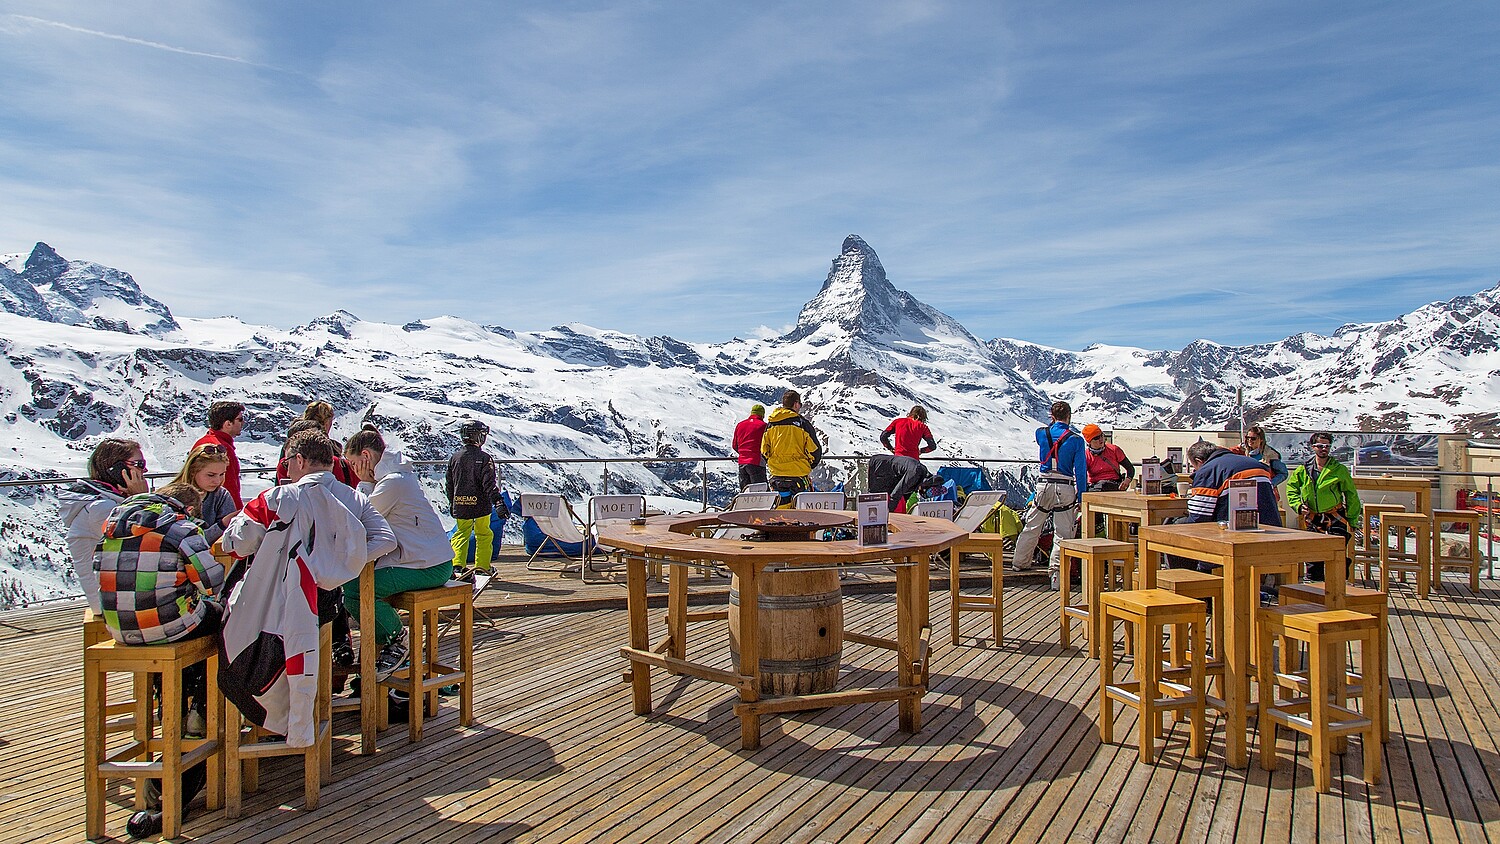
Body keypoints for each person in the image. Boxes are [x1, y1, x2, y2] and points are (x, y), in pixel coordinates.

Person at [219, 431, 386, 765]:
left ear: (297, 460)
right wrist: (336, 566)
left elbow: (235, 542)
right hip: (324, 605)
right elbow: (384, 538)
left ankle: (238, 722)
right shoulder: (353, 499)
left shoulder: (278, 498)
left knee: (223, 623)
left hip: (269, 610)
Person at [94, 480, 223, 837]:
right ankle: (200, 712)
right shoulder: (180, 528)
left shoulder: (113, 526)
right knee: (223, 622)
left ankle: (169, 699)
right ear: (190, 509)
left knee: (182, 645)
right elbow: (213, 580)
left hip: (119, 629)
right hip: (168, 627)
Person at [344, 426, 456, 679]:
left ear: (365, 456)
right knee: (355, 586)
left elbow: (362, 517)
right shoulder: (393, 479)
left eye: (353, 464)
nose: (353, 470)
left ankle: (397, 640)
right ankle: (383, 653)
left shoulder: (393, 483)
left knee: (356, 589)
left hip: (427, 564)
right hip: (423, 559)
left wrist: (363, 483)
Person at [60, 438, 150, 611]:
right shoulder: (101, 508)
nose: (144, 470)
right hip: (113, 604)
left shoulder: (107, 501)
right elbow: (147, 539)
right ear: (117, 469)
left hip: (119, 595)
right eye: (139, 464)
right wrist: (141, 498)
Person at [1012, 401, 1089, 589]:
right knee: (1063, 532)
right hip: (1065, 486)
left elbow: (1045, 435)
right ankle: (1056, 576)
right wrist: (1082, 497)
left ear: (1051, 416)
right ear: (1069, 416)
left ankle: (1020, 562)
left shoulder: (1041, 433)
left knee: (1032, 525)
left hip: (1043, 485)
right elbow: (1080, 470)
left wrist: (1052, 424)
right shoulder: (1076, 440)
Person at [1286, 432, 1361, 582]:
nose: (1323, 449)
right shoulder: (1304, 469)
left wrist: (1352, 520)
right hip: (1313, 517)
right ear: (1313, 447)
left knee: (1338, 551)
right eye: (1320, 446)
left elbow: (1351, 494)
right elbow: (1291, 488)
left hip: (1335, 515)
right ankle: (1316, 589)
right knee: (1314, 555)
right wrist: (1298, 506)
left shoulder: (1339, 470)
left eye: (1327, 446)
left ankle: (1340, 588)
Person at [447, 420, 507, 576]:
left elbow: (449, 484)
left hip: (460, 503)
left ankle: (457, 565)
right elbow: (489, 484)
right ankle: (482, 567)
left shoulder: (455, 458)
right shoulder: (485, 458)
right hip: (481, 505)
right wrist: (498, 501)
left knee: (461, 534)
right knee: (484, 534)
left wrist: (452, 502)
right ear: (479, 437)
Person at [761, 390, 823, 500]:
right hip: (798, 474)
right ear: (795, 404)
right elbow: (815, 450)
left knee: (782, 510)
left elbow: (764, 450)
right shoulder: (802, 424)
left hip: (777, 475)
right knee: (801, 510)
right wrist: (809, 464)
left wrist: (773, 463)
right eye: (800, 404)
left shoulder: (771, 424)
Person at [173, 443, 237, 545]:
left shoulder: (221, 495)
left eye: (222, 474)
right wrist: (222, 525)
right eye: (211, 475)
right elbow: (183, 542)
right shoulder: (173, 498)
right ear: (193, 472)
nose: (217, 481)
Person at [193, 400, 245, 508]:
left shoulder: (202, 442)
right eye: (240, 419)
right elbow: (230, 487)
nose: (243, 423)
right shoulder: (222, 449)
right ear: (228, 423)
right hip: (217, 510)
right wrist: (238, 514)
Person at [867, 452, 933, 514]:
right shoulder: (915, 473)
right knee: (877, 498)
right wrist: (889, 512)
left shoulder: (922, 473)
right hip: (878, 468)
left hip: (888, 472)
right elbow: (897, 492)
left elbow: (906, 490)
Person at [1082, 424, 1135, 492]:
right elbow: (1082, 475)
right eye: (1096, 438)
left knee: (1104, 485)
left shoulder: (1114, 450)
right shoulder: (1086, 456)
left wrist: (1127, 481)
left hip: (1114, 485)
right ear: (1089, 442)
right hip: (1095, 487)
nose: (1101, 439)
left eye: (1101, 435)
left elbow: (1130, 468)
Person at [732, 404, 769, 490]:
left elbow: (735, 445)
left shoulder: (740, 425)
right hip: (757, 462)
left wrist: (744, 453)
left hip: (742, 463)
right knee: (761, 494)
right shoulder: (764, 426)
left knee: (746, 495)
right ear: (762, 415)